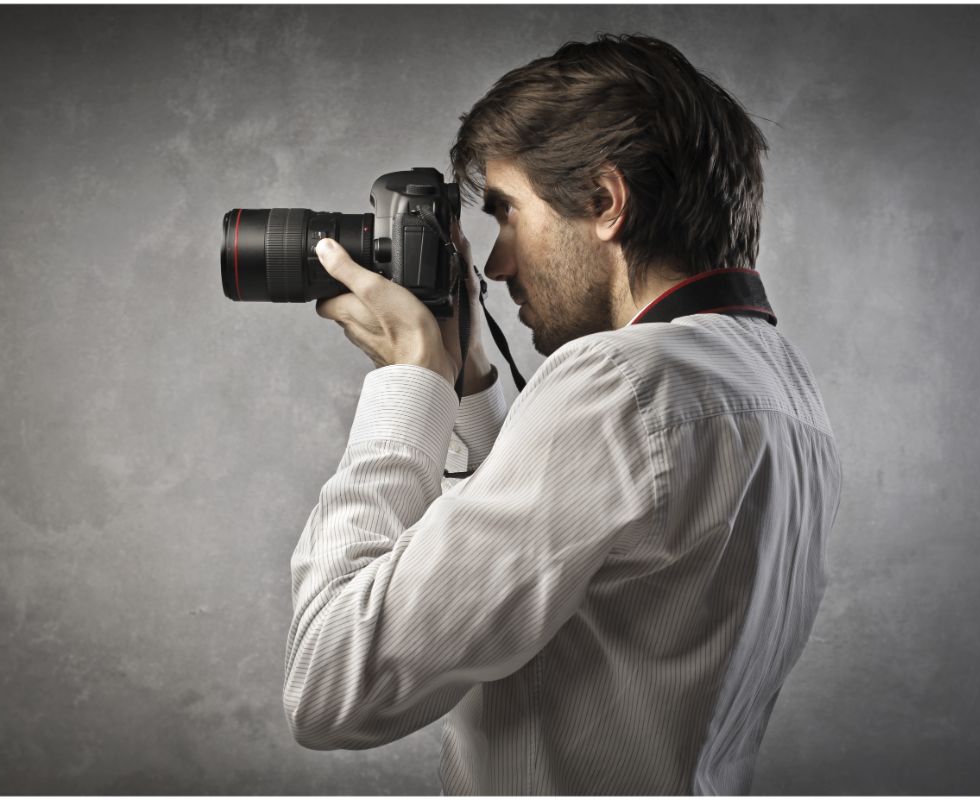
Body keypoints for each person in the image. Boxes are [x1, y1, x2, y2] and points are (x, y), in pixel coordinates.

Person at [283, 33, 842, 795]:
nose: (497, 262)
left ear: (605, 203)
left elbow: (330, 684)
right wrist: (470, 380)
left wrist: (407, 383)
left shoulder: (619, 381)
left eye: (509, 212)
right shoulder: (776, 381)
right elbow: (547, 557)